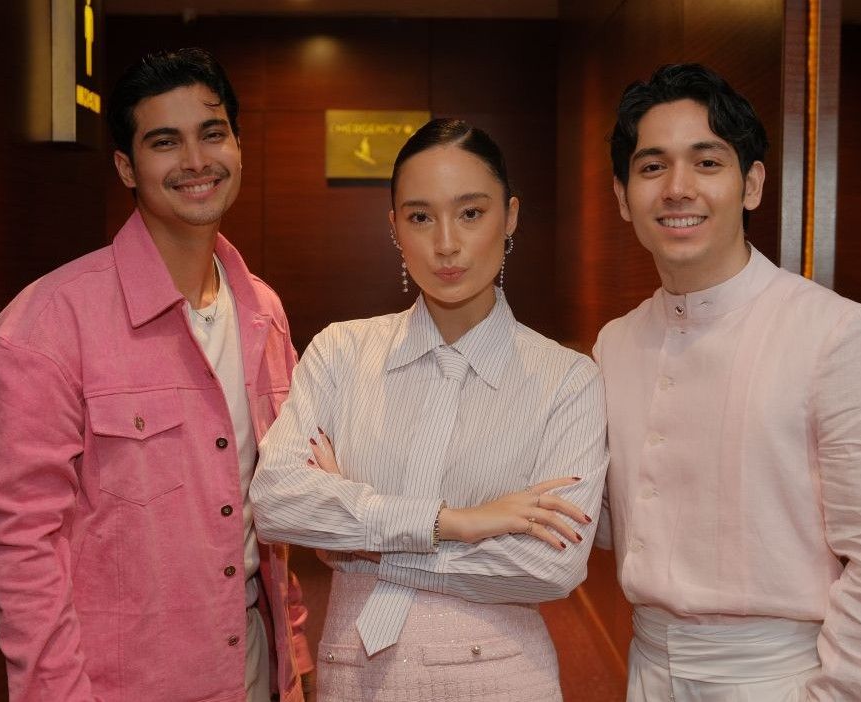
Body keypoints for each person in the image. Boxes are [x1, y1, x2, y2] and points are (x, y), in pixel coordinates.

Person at [0, 48, 314, 702]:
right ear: (126, 166)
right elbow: (17, 545)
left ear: (238, 145)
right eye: (165, 142)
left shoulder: (263, 312)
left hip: (252, 658)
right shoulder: (48, 323)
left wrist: (291, 654)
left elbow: (272, 505)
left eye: (212, 133)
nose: (196, 160)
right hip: (122, 681)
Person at [594, 63, 861, 701]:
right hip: (648, 668)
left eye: (707, 163)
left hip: (782, 678)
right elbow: (605, 517)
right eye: (652, 167)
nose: (677, 188)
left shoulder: (839, 333)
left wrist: (843, 693)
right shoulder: (615, 343)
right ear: (622, 196)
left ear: (751, 184)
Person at [249, 118, 607, 701]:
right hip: (351, 679)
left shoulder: (566, 379)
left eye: (471, 213)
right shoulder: (341, 351)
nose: (446, 243)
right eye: (420, 217)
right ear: (394, 227)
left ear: (510, 216)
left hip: (500, 681)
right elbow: (276, 503)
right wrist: (457, 522)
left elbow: (551, 567)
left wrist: (356, 541)